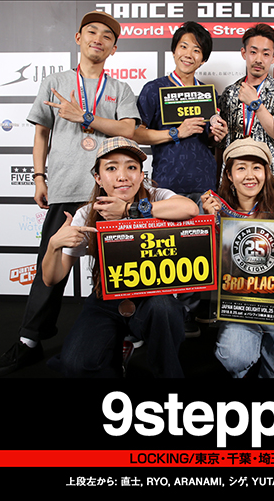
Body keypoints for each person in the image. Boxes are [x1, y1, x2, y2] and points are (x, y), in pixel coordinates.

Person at [0, 11, 140, 378]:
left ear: (114, 49)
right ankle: (28, 340)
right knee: (51, 263)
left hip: (111, 191)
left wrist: (83, 116)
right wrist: (39, 177)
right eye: (91, 32)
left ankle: (126, 335)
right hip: (67, 187)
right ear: (78, 38)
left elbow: (129, 130)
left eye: (107, 36)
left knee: (123, 265)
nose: (98, 39)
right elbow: (41, 133)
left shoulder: (120, 89)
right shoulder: (54, 82)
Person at [43, 137, 199, 378]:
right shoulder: (86, 213)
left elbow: (190, 208)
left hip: (154, 298)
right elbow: (51, 278)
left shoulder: (157, 196)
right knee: (75, 365)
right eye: (112, 168)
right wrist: (54, 246)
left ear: (141, 175)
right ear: (98, 178)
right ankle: (118, 354)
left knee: (164, 308)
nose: (122, 176)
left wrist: (129, 210)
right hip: (107, 299)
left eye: (131, 167)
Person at [135, 21, 228, 337]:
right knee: (167, 250)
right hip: (167, 182)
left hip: (203, 182)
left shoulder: (209, 94)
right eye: (184, 46)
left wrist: (218, 135)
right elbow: (138, 133)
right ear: (174, 50)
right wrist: (176, 132)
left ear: (203, 58)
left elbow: (210, 141)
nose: (189, 54)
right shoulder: (154, 89)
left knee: (198, 249)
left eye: (197, 50)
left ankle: (189, 311)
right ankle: (163, 312)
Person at [201, 137, 274, 378]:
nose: (250, 175)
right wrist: (209, 222)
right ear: (229, 175)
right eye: (241, 168)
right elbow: (207, 262)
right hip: (240, 301)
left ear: (266, 173)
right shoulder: (215, 207)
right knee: (234, 357)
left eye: (257, 168)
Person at [219, 23, 274, 177]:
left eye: (266, 54)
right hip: (235, 177)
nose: (259, 59)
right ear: (244, 53)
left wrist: (256, 104)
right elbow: (221, 145)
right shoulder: (230, 92)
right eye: (253, 52)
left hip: (271, 176)